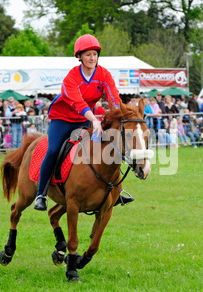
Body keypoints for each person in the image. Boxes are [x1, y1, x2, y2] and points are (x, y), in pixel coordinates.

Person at [34, 34, 132, 211]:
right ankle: (41, 194)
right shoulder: (71, 77)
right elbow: (78, 103)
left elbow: (112, 96)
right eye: (87, 54)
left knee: (107, 146)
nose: (92, 58)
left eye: (94, 54)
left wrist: (118, 112)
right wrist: (94, 120)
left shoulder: (103, 74)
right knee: (54, 149)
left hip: (85, 119)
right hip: (63, 119)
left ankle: (116, 191)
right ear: (79, 56)